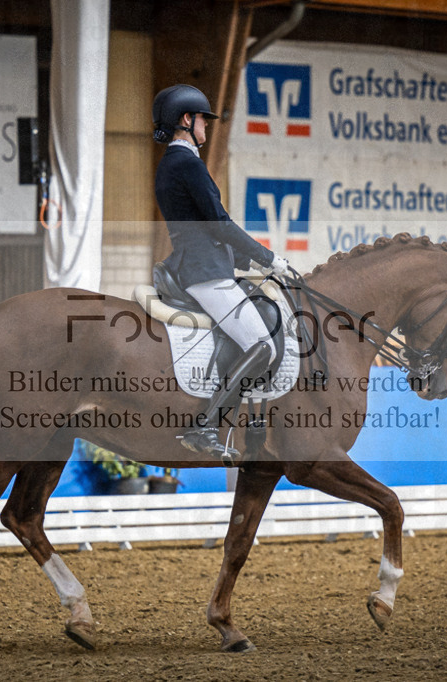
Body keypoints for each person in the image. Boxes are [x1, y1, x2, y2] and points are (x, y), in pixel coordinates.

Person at [152, 84, 289, 462]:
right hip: (204, 272)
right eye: (203, 121)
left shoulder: (172, 164)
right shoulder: (186, 164)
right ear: (186, 119)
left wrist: (246, 265)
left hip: (202, 263)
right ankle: (206, 425)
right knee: (263, 346)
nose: (207, 128)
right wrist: (268, 257)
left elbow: (202, 229)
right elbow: (219, 224)